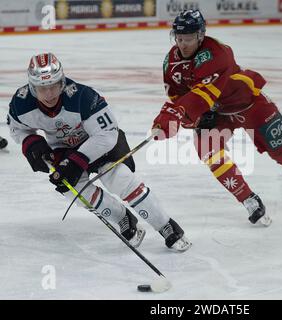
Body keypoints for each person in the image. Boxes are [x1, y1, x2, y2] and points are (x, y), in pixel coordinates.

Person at [152, 10, 282, 226]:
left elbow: (202, 94)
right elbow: (177, 97)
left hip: (250, 104)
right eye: (179, 39)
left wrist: (184, 114)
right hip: (217, 113)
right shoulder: (170, 62)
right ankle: (248, 199)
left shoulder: (217, 53)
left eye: (188, 39)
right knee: (207, 150)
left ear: (200, 35)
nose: (183, 44)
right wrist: (181, 120)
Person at [7, 52, 191, 252]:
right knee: (74, 190)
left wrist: (78, 160)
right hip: (63, 151)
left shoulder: (82, 96)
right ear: (33, 88)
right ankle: (123, 219)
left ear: (62, 81)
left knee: (120, 178)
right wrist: (31, 143)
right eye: (43, 89)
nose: (50, 94)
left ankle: (165, 225)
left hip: (103, 146)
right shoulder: (21, 102)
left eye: (54, 86)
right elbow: (18, 128)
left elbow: (106, 134)